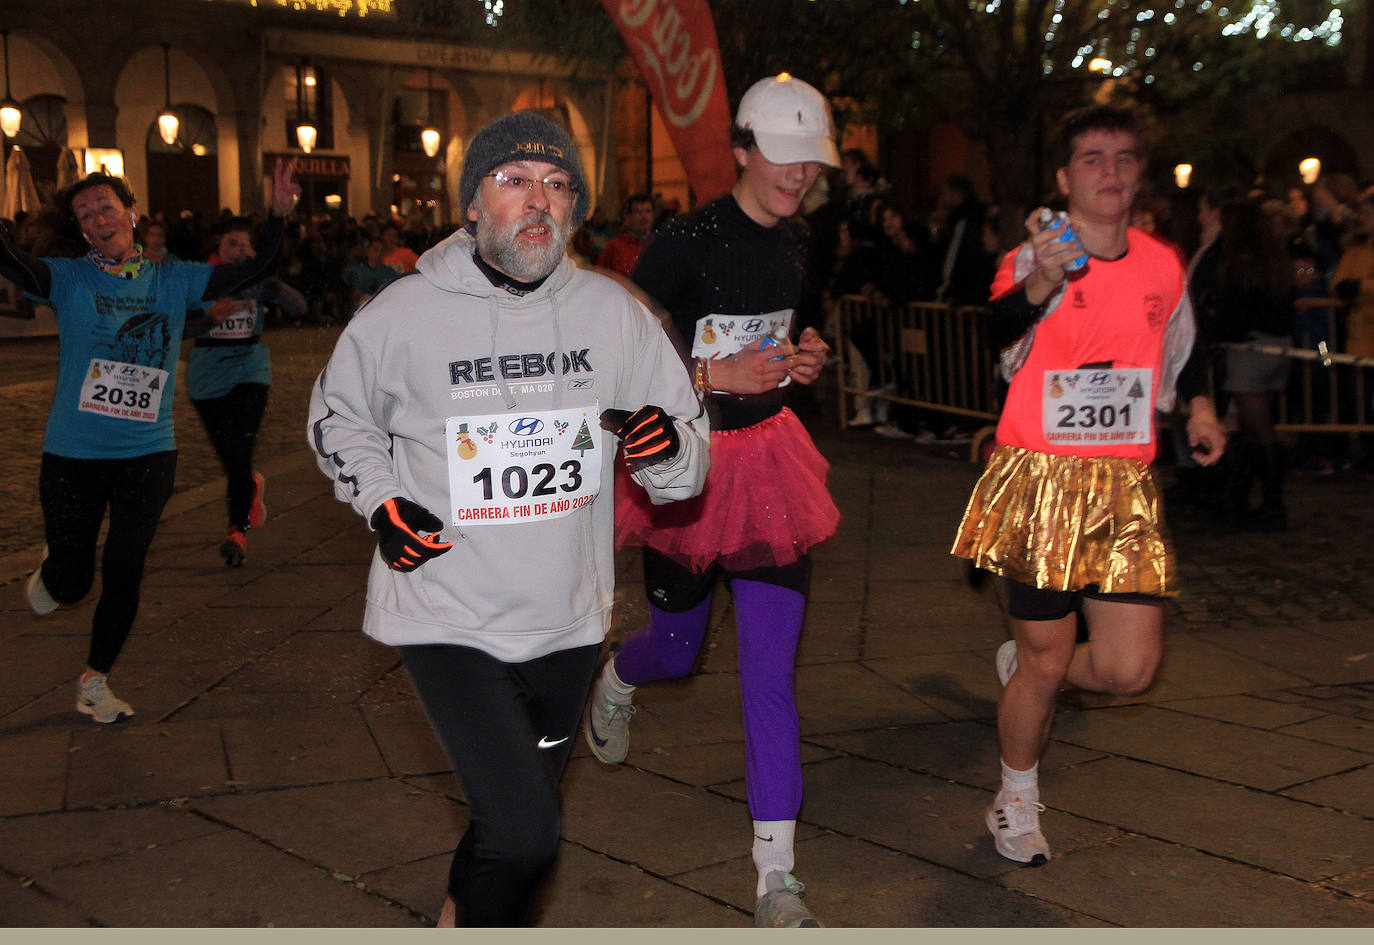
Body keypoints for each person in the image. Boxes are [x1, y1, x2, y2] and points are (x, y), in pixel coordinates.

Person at [306, 111, 708, 927]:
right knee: (528, 835)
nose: (540, 201)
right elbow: (336, 417)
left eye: (559, 186)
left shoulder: (612, 314)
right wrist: (382, 500)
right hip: (445, 607)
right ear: (470, 205)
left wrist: (663, 449)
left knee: (506, 822)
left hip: (564, 617)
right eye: (515, 180)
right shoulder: (404, 313)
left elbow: (685, 465)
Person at [582, 73, 841, 928]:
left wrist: (801, 358)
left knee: (770, 676)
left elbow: (783, 333)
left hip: (771, 468)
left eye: (810, 161)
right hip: (685, 473)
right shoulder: (684, 242)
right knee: (678, 648)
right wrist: (708, 375)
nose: (798, 174)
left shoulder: (802, 242)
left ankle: (777, 876)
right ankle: (619, 675)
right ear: (740, 150)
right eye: (781, 156)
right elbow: (621, 366)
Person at [950, 106, 1227, 866]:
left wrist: (1199, 410)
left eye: (1125, 157)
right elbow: (996, 332)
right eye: (1093, 158)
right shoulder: (1033, 258)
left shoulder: (1161, 265)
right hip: (1039, 481)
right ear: (1066, 178)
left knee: (1128, 670)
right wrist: (1042, 275)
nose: (1111, 170)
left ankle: (1027, 671)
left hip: (1122, 485)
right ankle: (1016, 797)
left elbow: (1184, 352)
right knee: (1046, 658)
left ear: (1140, 174)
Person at [0, 159, 298, 724]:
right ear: (81, 228)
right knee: (71, 583)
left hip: (148, 452)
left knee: (126, 568)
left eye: (105, 206)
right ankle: (55, 570)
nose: (96, 217)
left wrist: (278, 219)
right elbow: (18, 268)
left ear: (130, 213)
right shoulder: (68, 276)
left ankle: (95, 682)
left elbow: (253, 268)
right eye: (85, 213)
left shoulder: (172, 278)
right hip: (73, 453)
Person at [187, 216, 308, 565]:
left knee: (239, 450)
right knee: (229, 455)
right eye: (232, 245)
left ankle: (236, 532)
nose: (239, 252)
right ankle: (248, 487)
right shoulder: (200, 281)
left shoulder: (257, 278)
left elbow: (299, 307)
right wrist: (206, 319)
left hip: (249, 370)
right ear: (218, 248)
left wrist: (272, 283)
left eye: (245, 245)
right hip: (206, 376)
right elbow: (174, 325)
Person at [595, 193, 655, 276]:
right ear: (629, 216)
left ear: (653, 215)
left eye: (647, 211)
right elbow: (600, 277)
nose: (643, 216)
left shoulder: (659, 245)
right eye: (638, 212)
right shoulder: (614, 246)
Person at [341, 237, 397, 316]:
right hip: (358, 314)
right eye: (375, 249)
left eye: (382, 250)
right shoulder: (355, 270)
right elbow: (343, 288)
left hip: (381, 313)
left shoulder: (391, 273)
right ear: (368, 250)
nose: (378, 253)